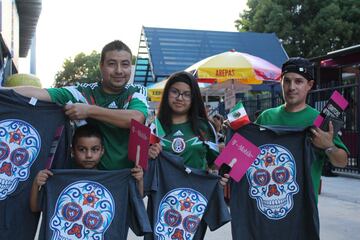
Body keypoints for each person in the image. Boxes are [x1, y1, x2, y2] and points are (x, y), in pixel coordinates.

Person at [4, 40, 148, 170]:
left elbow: (136, 119)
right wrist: (3, 91)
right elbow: (41, 93)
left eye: (125, 64)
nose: (119, 70)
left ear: (131, 66)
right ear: (101, 66)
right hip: (84, 179)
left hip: (124, 179)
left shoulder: (137, 91)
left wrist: (89, 111)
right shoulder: (84, 92)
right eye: (111, 64)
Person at [255, 57, 348, 202]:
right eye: (287, 81)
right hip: (269, 205)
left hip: (304, 213)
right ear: (281, 82)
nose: (291, 87)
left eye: (298, 81)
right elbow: (241, 158)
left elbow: (341, 162)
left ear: (309, 85)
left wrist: (329, 146)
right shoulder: (266, 117)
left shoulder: (319, 121)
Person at [29, 124, 144, 212]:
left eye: (94, 149)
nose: (89, 155)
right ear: (72, 151)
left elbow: (134, 206)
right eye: (82, 149)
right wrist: (36, 184)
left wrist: (139, 181)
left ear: (102, 151)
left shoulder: (112, 180)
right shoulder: (59, 179)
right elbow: (35, 208)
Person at [148, 71, 228, 185]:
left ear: (193, 97)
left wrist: (232, 154)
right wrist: (148, 155)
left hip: (197, 197)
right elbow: (143, 169)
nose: (179, 98)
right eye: (174, 92)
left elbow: (214, 165)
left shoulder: (204, 127)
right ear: (166, 94)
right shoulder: (155, 127)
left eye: (187, 94)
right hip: (162, 198)